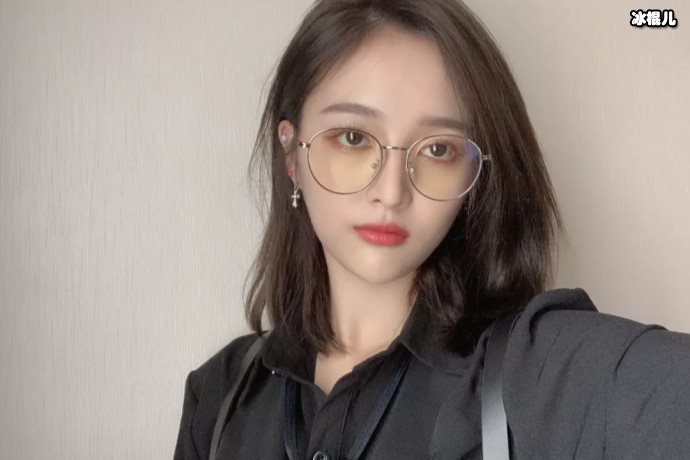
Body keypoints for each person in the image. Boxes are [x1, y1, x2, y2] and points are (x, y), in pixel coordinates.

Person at [174, 1, 690, 459]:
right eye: (353, 138)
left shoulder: (540, 374)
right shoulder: (220, 399)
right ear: (292, 153)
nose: (392, 191)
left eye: (439, 149)